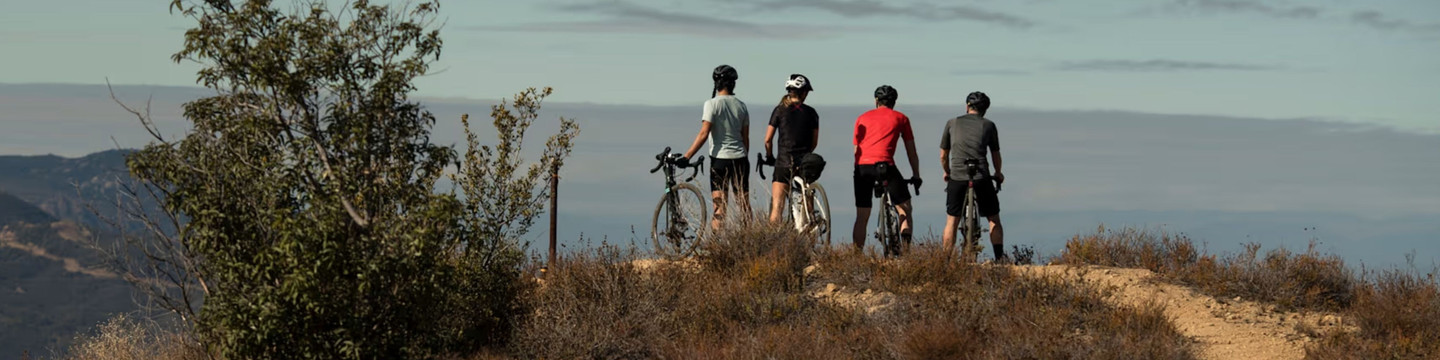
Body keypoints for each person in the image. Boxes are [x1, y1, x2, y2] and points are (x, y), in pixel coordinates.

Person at [851, 85, 921, 253]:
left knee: (862, 216)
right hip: (885, 165)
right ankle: (905, 251)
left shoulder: (862, 118)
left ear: (876, 101)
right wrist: (916, 174)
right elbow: (911, 151)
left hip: (862, 167)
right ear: (894, 102)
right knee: (905, 208)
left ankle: (856, 257)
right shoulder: (901, 118)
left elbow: (856, 149)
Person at [940, 91, 1006, 263]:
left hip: (957, 175)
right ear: (985, 110)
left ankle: (946, 261)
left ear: (967, 106)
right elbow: (995, 154)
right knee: (993, 218)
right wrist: (998, 173)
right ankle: (999, 258)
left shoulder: (952, 123)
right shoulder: (989, 125)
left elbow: (943, 154)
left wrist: (947, 171)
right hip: (981, 176)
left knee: (952, 220)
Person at [682, 65, 751, 231]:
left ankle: (716, 246)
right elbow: (745, 138)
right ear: (733, 84)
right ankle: (750, 239)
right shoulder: (741, 106)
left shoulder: (711, 104)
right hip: (740, 159)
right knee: (743, 203)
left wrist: (687, 156)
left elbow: (704, 133)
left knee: (719, 207)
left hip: (719, 159)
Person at [763, 74, 819, 223]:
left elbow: (768, 140)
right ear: (803, 92)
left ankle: (773, 243)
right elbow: (814, 142)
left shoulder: (779, 110)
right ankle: (809, 223)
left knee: (777, 207)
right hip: (804, 162)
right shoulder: (811, 113)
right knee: (807, 201)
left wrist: (769, 156)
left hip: (783, 161)